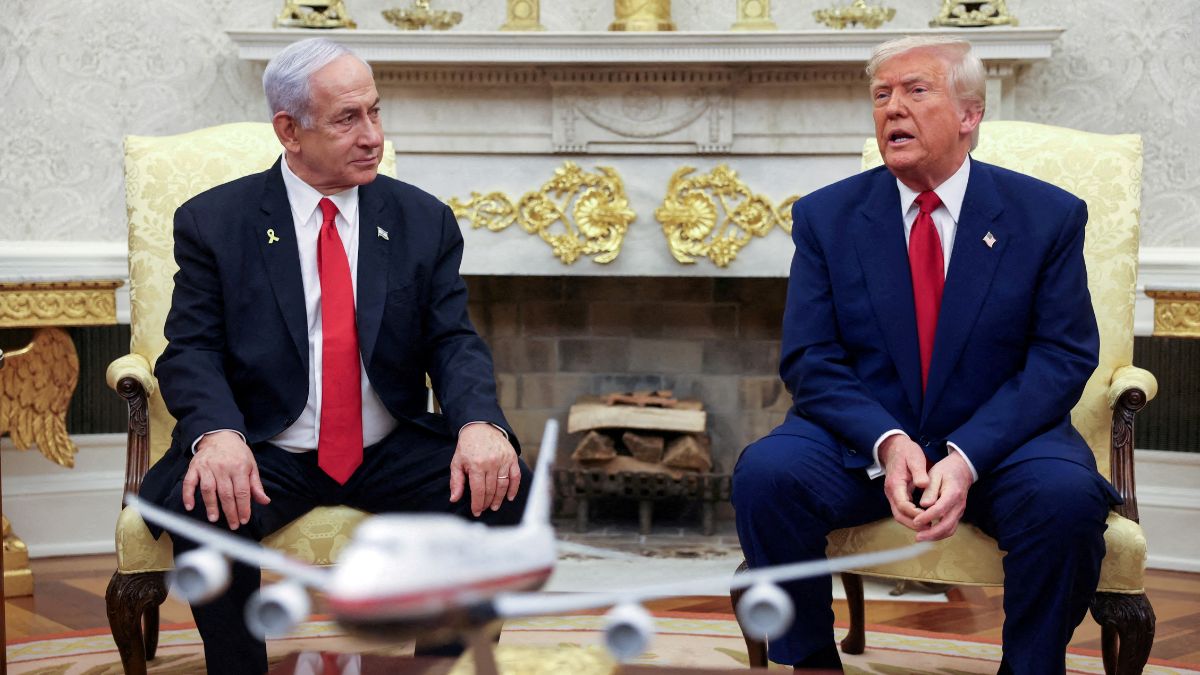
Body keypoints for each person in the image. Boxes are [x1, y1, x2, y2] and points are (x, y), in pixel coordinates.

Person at [138, 38, 529, 675]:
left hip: (387, 443)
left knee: (504, 490)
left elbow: (452, 340)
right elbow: (192, 349)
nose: (372, 135)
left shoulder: (422, 220)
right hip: (269, 444)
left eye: (375, 112)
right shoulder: (217, 221)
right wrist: (218, 433)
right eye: (349, 119)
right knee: (201, 500)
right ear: (289, 130)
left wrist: (480, 423)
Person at [732, 36, 1119, 673]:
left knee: (1065, 498)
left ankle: (1029, 666)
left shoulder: (1045, 216)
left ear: (970, 115)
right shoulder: (827, 217)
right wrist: (887, 441)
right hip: (863, 439)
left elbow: (1061, 355)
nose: (892, 109)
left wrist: (966, 458)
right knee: (767, 476)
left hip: (1003, 443)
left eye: (916, 91)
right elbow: (810, 358)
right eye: (881, 95)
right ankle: (811, 662)